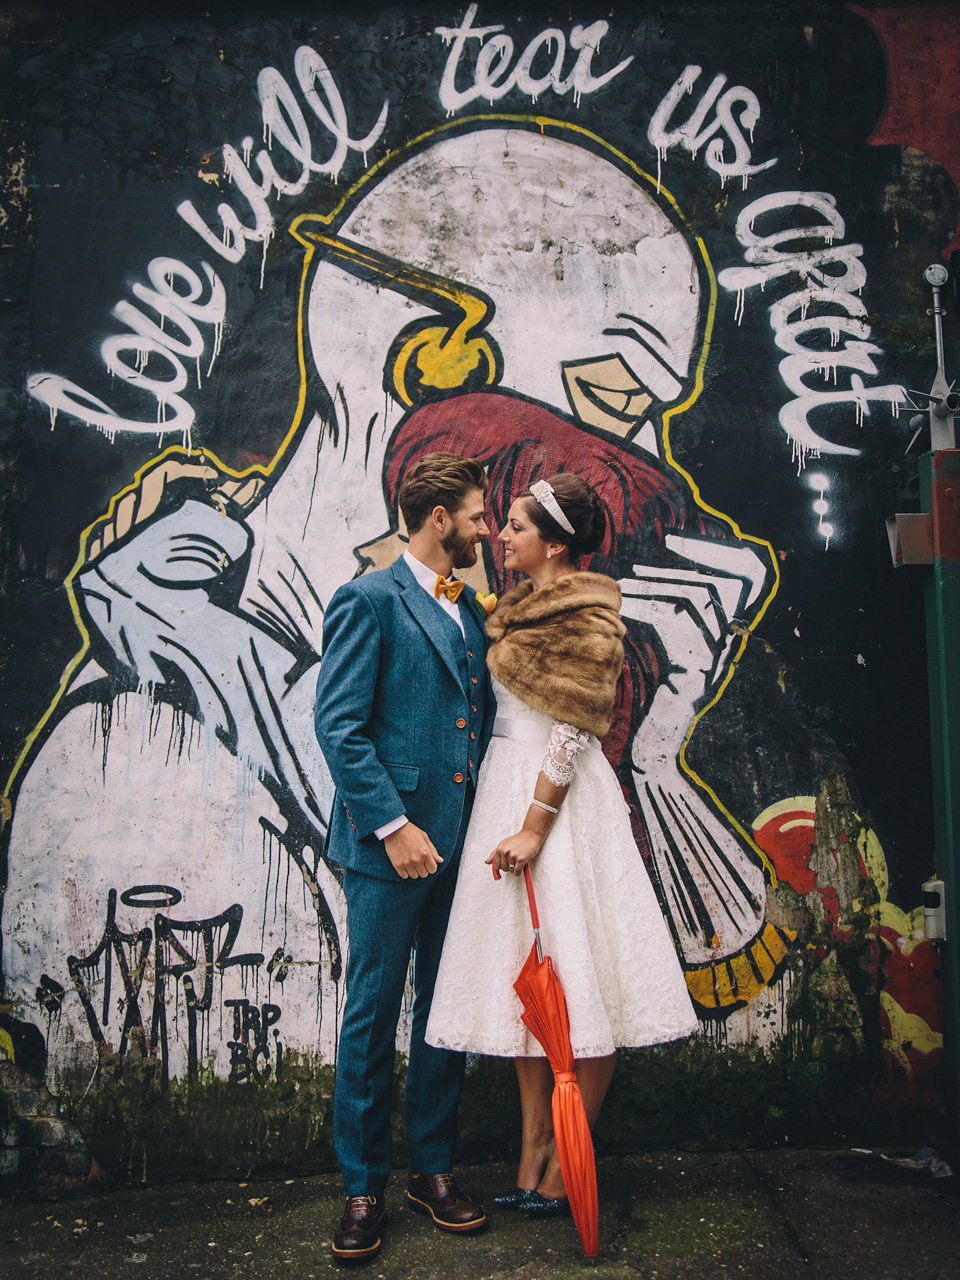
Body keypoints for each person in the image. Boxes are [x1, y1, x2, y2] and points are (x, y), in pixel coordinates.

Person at [425, 471, 699, 1214]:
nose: (500, 536)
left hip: (559, 806)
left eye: (513, 525)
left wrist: (534, 827)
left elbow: (576, 730)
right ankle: (530, 1154)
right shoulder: (513, 612)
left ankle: (565, 1155)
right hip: (503, 794)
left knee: (583, 982)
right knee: (523, 984)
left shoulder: (588, 618)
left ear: (553, 543)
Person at [314, 452, 496, 1262]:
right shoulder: (367, 600)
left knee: (444, 1016)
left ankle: (432, 1172)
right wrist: (393, 826)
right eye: (476, 514)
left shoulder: (468, 612)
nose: (486, 526)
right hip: (390, 849)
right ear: (437, 520)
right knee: (373, 1013)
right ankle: (361, 1189)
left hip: (460, 845)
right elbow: (339, 727)